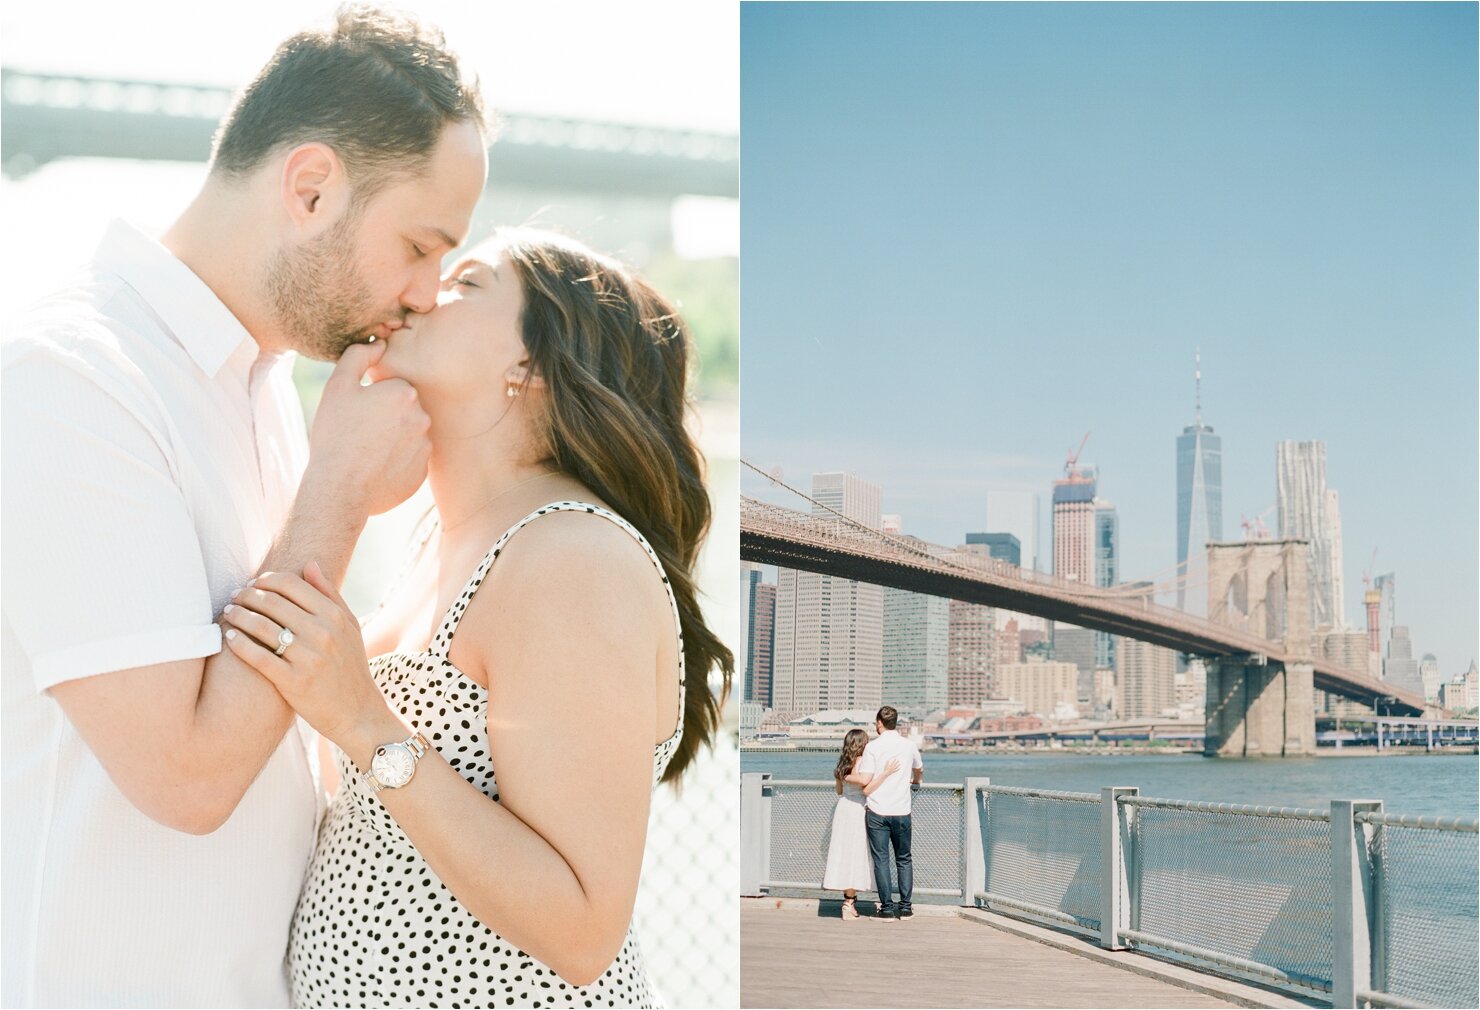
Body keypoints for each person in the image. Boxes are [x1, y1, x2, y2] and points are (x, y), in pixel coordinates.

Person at [1, 9, 487, 1006]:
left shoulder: (258, 385)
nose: (429, 293)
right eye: (418, 245)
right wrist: (340, 492)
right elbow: (187, 777)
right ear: (309, 188)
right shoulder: (72, 380)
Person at [219, 227, 732, 1007]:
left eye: (467, 282)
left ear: (528, 366)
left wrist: (363, 721)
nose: (420, 293)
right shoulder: (443, 539)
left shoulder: (570, 559)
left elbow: (582, 930)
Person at [854, 705, 924, 921]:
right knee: (904, 859)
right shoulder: (908, 745)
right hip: (902, 810)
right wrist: (916, 782)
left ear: (879, 723)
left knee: (881, 860)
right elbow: (918, 769)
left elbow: (865, 779)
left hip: (877, 810)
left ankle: (886, 909)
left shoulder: (872, 748)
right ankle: (905, 907)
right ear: (896, 723)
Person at [823, 729, 901, 920]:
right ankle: (849, 903)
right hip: (858, 809)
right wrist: (885, 774)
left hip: (843, 808)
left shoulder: (841, 765)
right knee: (859, 855)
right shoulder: (862, 761)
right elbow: (866, 784)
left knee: (846, 854)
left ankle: (849, 900)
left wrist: (846, 777)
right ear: (862, 744)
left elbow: (839, 791)